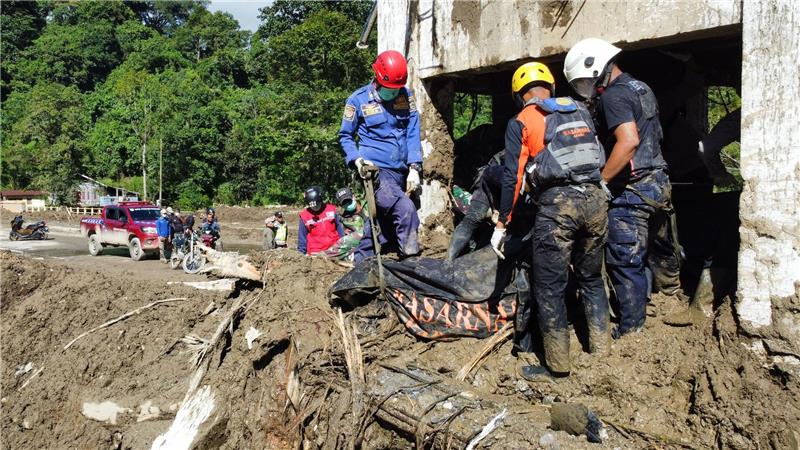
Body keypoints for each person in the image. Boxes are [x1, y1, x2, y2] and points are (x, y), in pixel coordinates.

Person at [564, 38, 680, 338]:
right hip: (658, 183)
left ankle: (632, 330)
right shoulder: (641, 88)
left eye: (584, 81)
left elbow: (628, 141)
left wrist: (601, 180)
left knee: (624, 259)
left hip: (633, 189)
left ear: (596, 67)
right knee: (654, 249)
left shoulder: (613, 97)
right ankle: (668, 301)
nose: (586, 88)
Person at [338, 49, 422, 264]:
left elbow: (412, 131)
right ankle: (411, 262)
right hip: (377, 173)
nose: (393, 93)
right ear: (377, 78)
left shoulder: (406, 96)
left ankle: (361, 260)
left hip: (402, 170)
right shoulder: (357, 101)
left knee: (382, 223)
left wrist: (414, 166)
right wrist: (356, 159)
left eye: (396, 89)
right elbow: (346, 136)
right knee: (405, 210)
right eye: (389, 89)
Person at [447, 151, 504, 261]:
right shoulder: (491, 173)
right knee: (474, 217)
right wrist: (495, 209)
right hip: (482, 186)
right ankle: (448, 260)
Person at [298, 186, 344, 255]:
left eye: (317, 205)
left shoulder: (332, 210)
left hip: (334, 249)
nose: (315, 208)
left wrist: (343, 245)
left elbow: (340, 230)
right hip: (316, 253)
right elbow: (302, 238)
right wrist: (301, 254)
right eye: (312, 206)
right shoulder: (304, 216)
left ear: (321, 200)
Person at [325, 187, 367, 261]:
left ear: (353, 197)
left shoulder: (368, 205)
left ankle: (326, 256)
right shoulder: (344, 218)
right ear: (341, 205)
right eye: (344, 203)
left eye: (349, 200)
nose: (348, 204)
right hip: (361, 243)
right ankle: (325, 257)